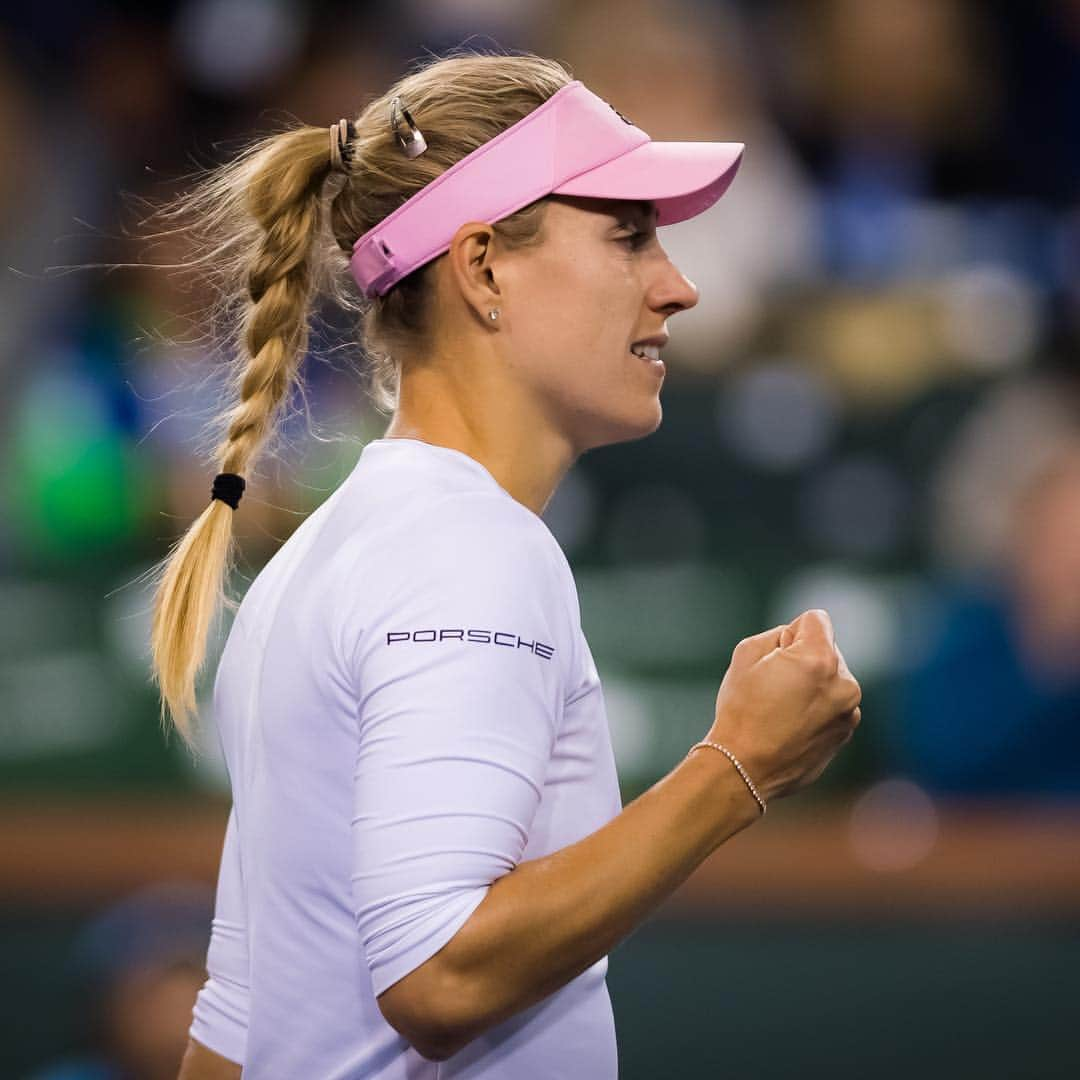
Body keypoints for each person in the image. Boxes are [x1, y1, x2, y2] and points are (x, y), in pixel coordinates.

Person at [145, 49, 862, 1079]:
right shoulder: (465, 550)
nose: (679, 286)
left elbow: (231, 1032)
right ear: (482, 268)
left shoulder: (335, 547)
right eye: (629, 237)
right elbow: (439, 981)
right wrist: (737, 768)